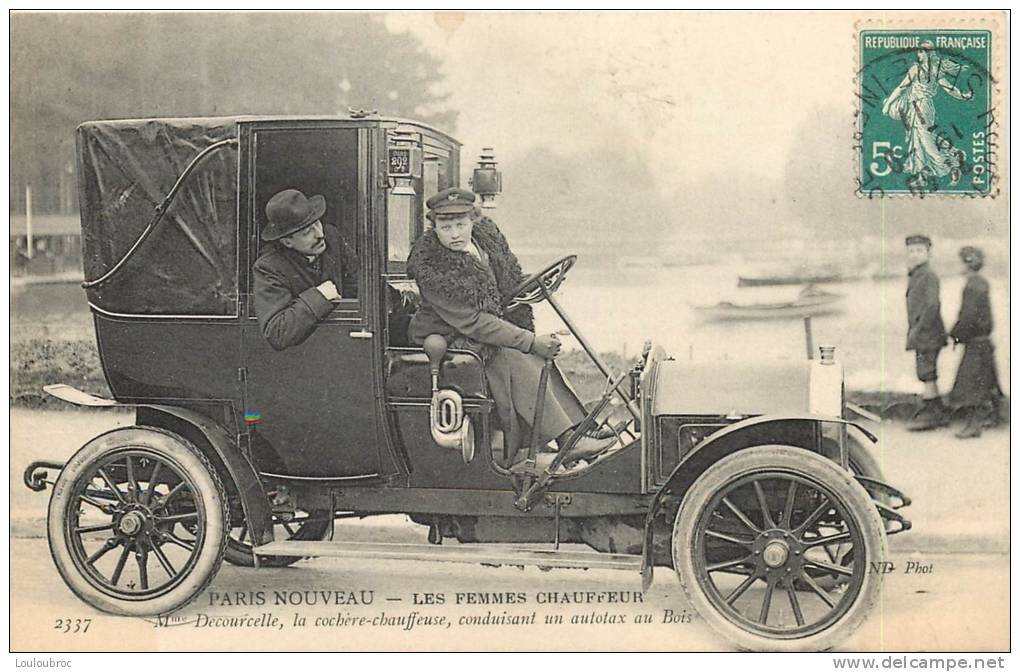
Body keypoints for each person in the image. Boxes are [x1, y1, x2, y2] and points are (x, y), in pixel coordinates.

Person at [406, 187, 615, 463]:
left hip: (477, 330)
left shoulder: (483, 246)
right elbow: (475, 322)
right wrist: (529, 341)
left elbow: (504, 284)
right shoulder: (433, 270)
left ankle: (579, 430)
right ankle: (567, 440)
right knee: (516, 354)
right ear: (434, 228)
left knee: (536, 356)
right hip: (449, 338)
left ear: (473, 221)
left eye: (461, 224)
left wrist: (542, 283)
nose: (455, 233)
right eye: (446, 227)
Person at [253, 188, 358, 350]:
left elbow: (358, 284)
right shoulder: (269, 267)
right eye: (307, 232)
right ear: (287, 242)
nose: (319, 234)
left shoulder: (332, 238)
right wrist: (320, 296)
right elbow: (277, 332)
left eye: (317, 223)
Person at [882, 41, 973, 189]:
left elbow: (901, 88)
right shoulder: (935, 69)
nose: (918, 54)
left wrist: (887, 105)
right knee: (921, 138)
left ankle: (950, 166)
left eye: (920, 51)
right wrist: (962, 95)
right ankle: (926, 173)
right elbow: (949, 88)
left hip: (920, 107)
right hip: (923, 106)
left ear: (927, 53)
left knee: (925, 140)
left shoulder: (916, 69)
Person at [948, 246, 1002, 439]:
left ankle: (974, 426)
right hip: (985, 341)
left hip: (975, 343)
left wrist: (954, 334)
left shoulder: (971, 286)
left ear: (967, 264)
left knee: (970, 385)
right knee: (987, 381)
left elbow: (967, 317)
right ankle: (993, 418)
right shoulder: (982, 283)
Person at [904, 234, 949, 431]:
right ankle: (937, 412)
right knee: (926, 371)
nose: (914, 254)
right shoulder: (917, 274)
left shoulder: (929, 275)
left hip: (927, 332)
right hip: (922, 331)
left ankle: (932, 415)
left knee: (927, 372)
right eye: (911, 251)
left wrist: (919, 329)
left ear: (928, 253)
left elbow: (932, 306)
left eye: (919, 250)